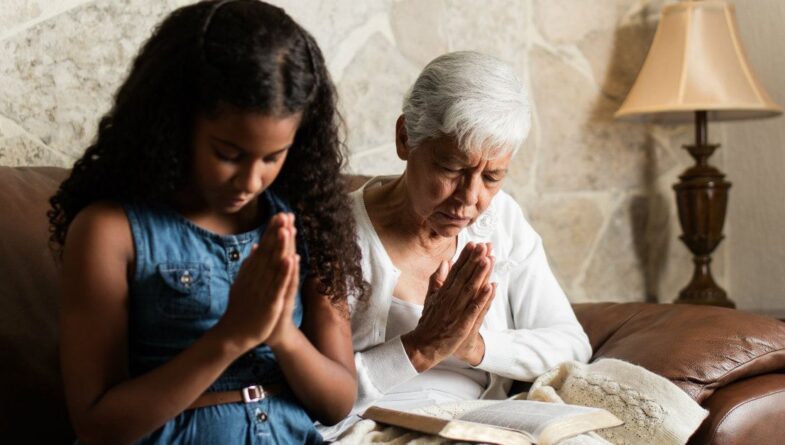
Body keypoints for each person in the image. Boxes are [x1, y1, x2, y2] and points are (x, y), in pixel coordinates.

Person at [47, 1, 367, 443]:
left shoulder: (308, 221)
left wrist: (280, 334)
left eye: (273, 157)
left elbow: (337, 403)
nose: (251, 181)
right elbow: (97, 425)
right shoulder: (110, 232)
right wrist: (232, 336)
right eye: (229, 154)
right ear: (176, 124)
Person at [319, 51, 593, 440]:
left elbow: (571, 345)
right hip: (371, 429)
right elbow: (310, 397)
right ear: (404, 138)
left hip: (487, 421)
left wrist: (474, 346)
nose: (469, 199)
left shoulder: (502, 220)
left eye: (493, 176)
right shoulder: (333, 234)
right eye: (451, 169)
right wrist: (421, 347)